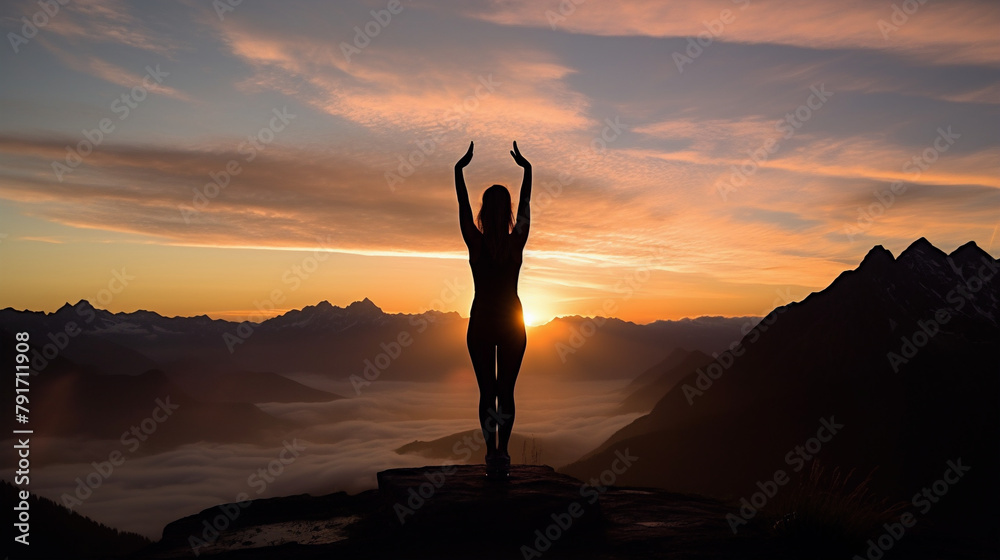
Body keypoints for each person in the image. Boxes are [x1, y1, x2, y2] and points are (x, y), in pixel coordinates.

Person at [454, 140, 531, 478]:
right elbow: (527, 203)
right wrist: (527, 170)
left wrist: (459, 170)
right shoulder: (517, 242)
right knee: (506, 392)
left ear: (483, 211)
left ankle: (491, 457)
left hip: (482, 321)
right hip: (513, 323)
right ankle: (504, 454)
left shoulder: (475, 241)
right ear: (508, 211)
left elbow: (461, 203)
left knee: (487, 391)